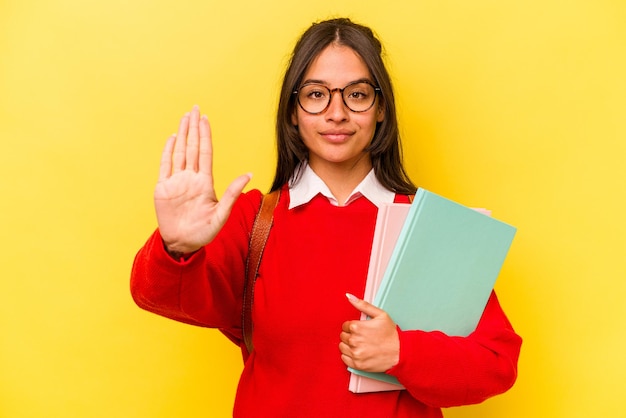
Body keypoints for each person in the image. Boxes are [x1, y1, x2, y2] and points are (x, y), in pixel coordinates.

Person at [130, 18, 522, 418]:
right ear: (294, 112)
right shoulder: (253, 220)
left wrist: (402, 351)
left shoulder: (429, 227)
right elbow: (166, 297)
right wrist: (177, 246)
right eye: (316, 94)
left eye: (357, 94)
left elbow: (495, 363)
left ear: (381, 107)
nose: (337, 113)